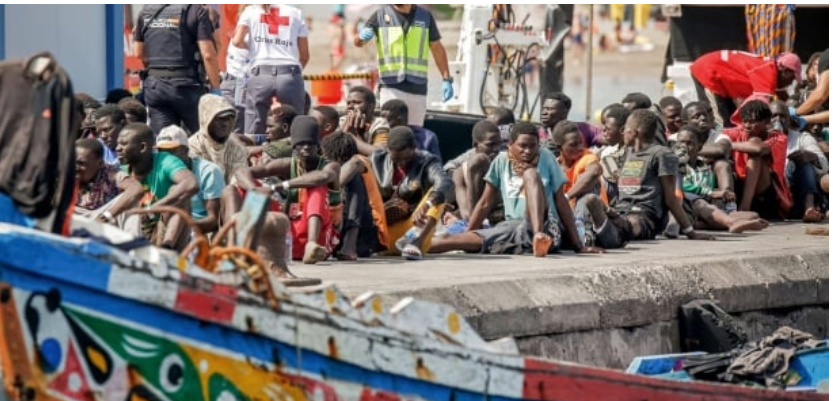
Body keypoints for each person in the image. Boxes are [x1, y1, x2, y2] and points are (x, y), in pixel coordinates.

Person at [428, 122, 603, 257]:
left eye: (533, 146)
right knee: (450, 240)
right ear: (511, 145)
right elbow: (485, 203)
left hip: (548, 227)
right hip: (513, 227)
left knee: (531, 175)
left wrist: (578, 246)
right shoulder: (501, 161)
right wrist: (469, 233)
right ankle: (408, 246)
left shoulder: (547, 157)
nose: (528, 151)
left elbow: (561, 201)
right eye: (522, 146)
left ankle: (537, 236)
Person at [572, 110, 715, 249]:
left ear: (635, 132)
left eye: (625, 129)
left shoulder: (661, 154)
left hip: (646, 216)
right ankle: (591, 230)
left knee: (630, 224)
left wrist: (690, 231)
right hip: (620, 210)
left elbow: (671, 198)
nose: (623, 132)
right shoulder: (627, 153)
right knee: (589, 197)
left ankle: (612, 233)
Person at [235, 116, 341, 264]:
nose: (305, 147)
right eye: (301, 144)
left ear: (318, 146)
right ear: (293, 146)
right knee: (238, 189)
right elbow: (241, 172)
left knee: (316, 186)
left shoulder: (330, 166)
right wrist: (253, 189)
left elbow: (322, 177)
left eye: (310, 143)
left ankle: (311, 245)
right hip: (290, 235)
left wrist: (279, 186)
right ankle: (241, 244)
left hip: (321, 239)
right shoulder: (288, 164)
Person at [362, 126, 453, 260]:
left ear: (414, 148)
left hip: (414, 228)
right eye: (396, 160)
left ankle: (416, 243)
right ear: (387, 150)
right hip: (382, 234)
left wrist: (427, 204)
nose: (401, 163)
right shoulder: (375, 160)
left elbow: (446, 183)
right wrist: (380, 211)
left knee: (436, 194)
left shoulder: (427, 161)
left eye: (406, 158)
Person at [355, 5, 453, 127]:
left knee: (415, 135)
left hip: (418, 89)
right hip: (390, 86)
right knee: (390, 134)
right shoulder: (379, 16)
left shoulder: (425, 17)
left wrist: (446, 79)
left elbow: (437, 48)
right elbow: (359, 43)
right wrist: (360, 38)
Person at [133, 4, 221, 134]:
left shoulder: (146, 12)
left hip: (156, 88)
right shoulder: (196, 11)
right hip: (187, 87)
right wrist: (216, 90)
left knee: (165, 141)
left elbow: (138, 53)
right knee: (207, 137)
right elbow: (208, 55)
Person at [116, 123, 199, 250]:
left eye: (123, 144)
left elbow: (191, 184)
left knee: (179, 193)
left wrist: (154, 207)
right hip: (134, 232)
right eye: (118, 144)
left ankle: (165, 248)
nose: (117, 148)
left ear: (143, 147)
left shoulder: (165, 161)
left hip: (165, 230)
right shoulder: (120, 170)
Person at [233, 4, 309, 136]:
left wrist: (252, 48)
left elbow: (237, 41)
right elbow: (305, 56)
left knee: (254, 127)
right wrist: (294, 74)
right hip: (289, 73)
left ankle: (256, 154)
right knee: (296, 125)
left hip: (260, 73)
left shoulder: (250, 11)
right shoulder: (296, 13)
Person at [675, 129, 768, 233]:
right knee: (702, 204)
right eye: (681, 143)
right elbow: (680, 186)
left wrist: (723, 196)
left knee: (753, 215)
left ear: (699, 147)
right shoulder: (676, 165)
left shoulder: (704, 167)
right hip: (689, 206)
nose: (684, 147)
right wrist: (711, 193)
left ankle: (701, 224)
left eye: (689, 143)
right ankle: (730, 224)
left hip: (710, 208)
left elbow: (711, 188)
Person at [690, 50, 801, 128]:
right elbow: (762, 108)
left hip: (715, 74)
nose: (791, 83)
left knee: (732, 122)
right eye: (792, 78)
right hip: (708, 72)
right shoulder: (768, 73)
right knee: (721, 124)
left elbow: (781, 96)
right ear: (784, 69)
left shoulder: (768, 66)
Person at [321, 132, 389, 260]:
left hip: (368, 235)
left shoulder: (359, 161)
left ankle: (349, 246)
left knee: (355, 179)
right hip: (340, 229)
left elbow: (354, 164)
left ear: (338, 159)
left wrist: (327, 190)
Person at [724, 99, 791, 219]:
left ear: (766, 122)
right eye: (745, 121)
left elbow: (758, 149)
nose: (747, 126)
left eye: (752, 122)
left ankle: (744, 207)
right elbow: (715, 135)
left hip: (768, 193)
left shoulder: (779, 137)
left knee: (755, 146)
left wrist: (728, 146)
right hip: (741, 184)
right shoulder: (738, 133)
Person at [156, 126, 226, 234]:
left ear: (186, 151)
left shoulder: (208, 171)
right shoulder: (158, 171)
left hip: (200, 231)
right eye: (161, 152)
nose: (166, 157)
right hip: (167, 227)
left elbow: (213, 219)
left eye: (171, 151)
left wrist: (183, 228)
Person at [770, 100, 828, 222]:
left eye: (783, 116)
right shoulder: (761, 137)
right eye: (774, 115)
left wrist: (810, 156)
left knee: (805, 163)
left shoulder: (801, 138)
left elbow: (824, 164)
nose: (778, 119)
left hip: (795, 189)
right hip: (773, 189)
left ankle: (809, 208)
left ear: (789, 119)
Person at [74, 139, 143, 234]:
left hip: (99, 220)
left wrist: (107, 216)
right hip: (73, 218)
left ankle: (131, 244)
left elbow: (136, 189)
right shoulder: (65, 172)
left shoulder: (111, 174)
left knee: (131, 201)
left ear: (100, 163)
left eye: (81, 163)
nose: (75, 167)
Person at [443, 121, 504, 223]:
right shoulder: (470, 157)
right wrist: (468, 177)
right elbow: (449, 167)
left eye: (499, 144)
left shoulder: (502, 159)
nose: (496, 149)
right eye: (491, 144)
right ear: (475, 145)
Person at [188, 94, 248, 185]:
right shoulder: (192, 147)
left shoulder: (236, 148)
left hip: (231, 196)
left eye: (229, 119)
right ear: (207, 118)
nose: (225, 124)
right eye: (220, 119)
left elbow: (239, 180)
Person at [551, 121, 605, 207]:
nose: (580, 148)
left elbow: (594, 171)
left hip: (592, 214)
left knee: (589, 182)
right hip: (564, 215)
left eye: (581, 143)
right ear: (559, 147)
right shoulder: (554, 166)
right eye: (573, 145)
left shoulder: (587, 157)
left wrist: (566, 197)